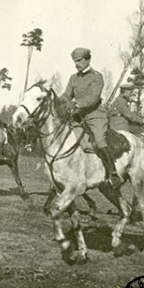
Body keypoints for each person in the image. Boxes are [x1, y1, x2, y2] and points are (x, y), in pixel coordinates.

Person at [60, 47, 121, 187]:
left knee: (99, 140)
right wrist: (58, 100)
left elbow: (93, 98)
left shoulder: (96, 76)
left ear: (88, 59)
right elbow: (66, 95)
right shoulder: (73, 78)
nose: (77, 64)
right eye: (75, 61)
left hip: (95, 116)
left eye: (79, 60)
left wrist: (75, 103)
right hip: (77, 116)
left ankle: (113, 173)